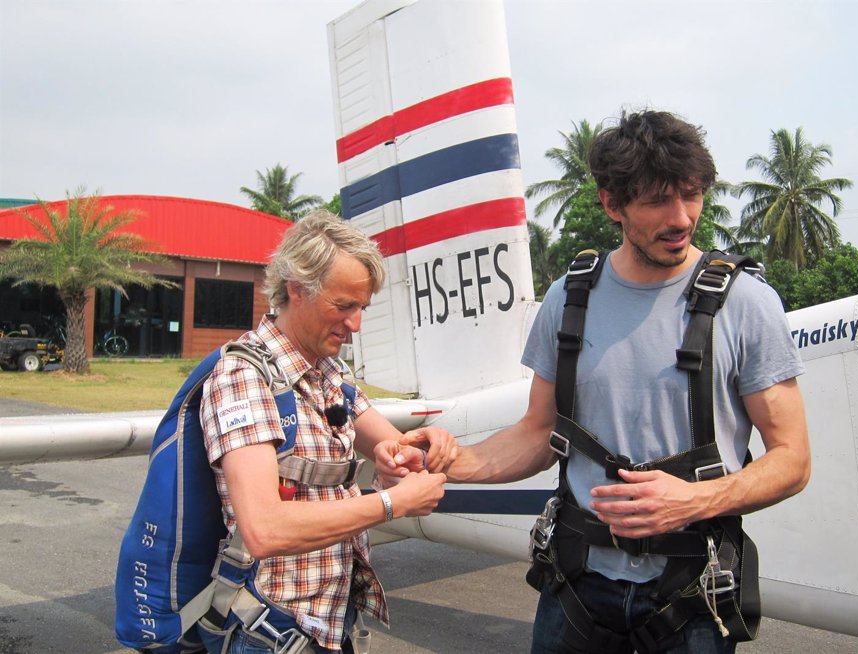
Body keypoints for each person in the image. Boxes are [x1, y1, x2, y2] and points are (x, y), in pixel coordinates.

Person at [440, 110, 810, 653]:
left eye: (692, 194)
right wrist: (451, 461)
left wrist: (696, 500)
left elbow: (792, 460)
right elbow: (540, 432)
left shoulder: (746, 304)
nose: (682, 217)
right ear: (612, 204)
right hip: (577, 586)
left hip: (691, 594)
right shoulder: (568, 300)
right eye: (658, 200)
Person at [199, 211, 457, 653]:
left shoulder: (328, 372)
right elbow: (262, 529)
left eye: (362, 308)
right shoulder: (244, 376)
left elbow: (390, 443)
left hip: (331, 625)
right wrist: (392, 503)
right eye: (344, 307)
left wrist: (412, 450)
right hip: (275, 631)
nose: (355, 325)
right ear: (296, 290)